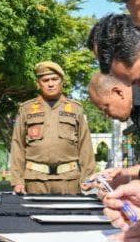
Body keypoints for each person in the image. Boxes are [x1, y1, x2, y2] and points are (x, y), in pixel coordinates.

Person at [9, 61, 96, 195]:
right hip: (35, 180)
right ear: (38, 83)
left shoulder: (75, 108)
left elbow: (85, 145)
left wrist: (87, 178)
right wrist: (17, 180)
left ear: (62, 82)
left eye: (55, 79)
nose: (50, 84)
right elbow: (18, 145)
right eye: (45, 80)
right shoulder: (27, 109)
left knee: (69, 209)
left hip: (68, 180)